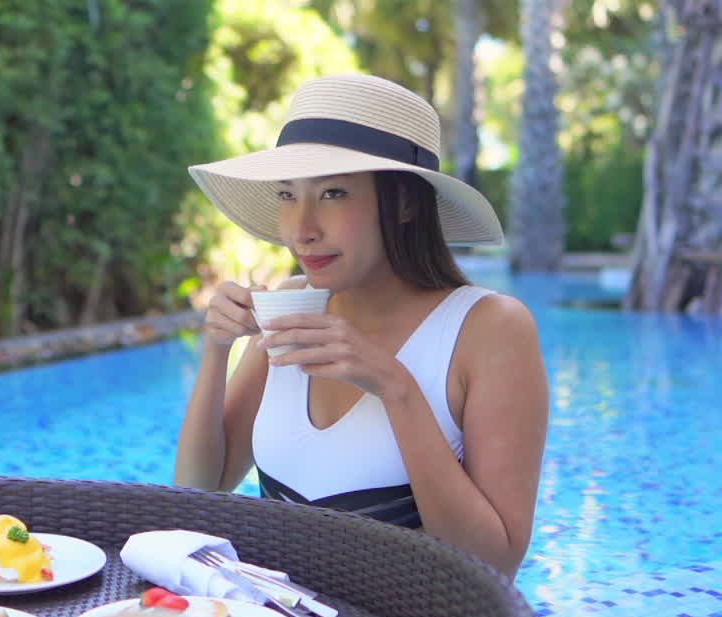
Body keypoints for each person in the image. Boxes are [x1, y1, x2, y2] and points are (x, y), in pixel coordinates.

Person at [173, 74, 548, 579]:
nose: (301, 229)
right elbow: (200, 490)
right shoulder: (291, 307)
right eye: (287, 195)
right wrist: (216, 349)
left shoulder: (488, 330)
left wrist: (395, 387)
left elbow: (495, 565)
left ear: (406, 202)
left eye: (332, 193)